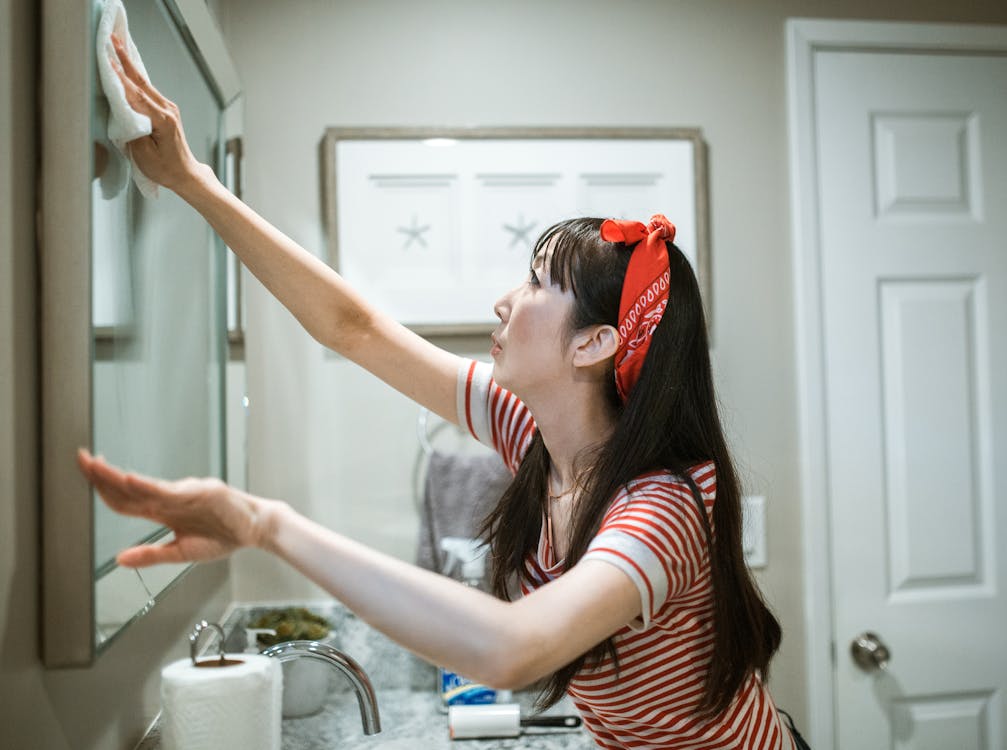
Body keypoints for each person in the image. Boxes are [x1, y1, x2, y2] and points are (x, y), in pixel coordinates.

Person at [79, 35, 797, 749]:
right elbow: (353, 328)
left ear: (593, 343)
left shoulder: (662, 507)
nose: (502, 302)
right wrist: (191, 180)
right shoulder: (534, 434)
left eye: (536, 284)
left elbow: (511, 648)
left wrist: (266, 524)